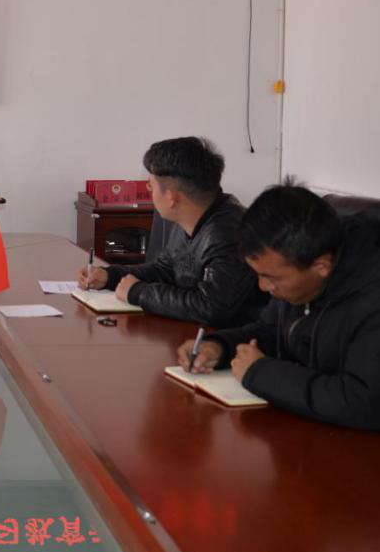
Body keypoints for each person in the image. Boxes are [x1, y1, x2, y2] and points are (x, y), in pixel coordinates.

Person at [177, 185, 380, 430]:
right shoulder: (299, 268)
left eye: (271, 278)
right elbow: (270, 331)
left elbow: (362, 403)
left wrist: (260, 373)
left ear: (321, 267)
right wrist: (219, 347)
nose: (263, 287)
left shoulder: (371, 298)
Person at [79, 137, 266, 327]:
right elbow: (164, 270)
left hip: (226, 340)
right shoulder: (190, 216)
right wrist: (110, 276)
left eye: (151, 186)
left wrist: (138, 292)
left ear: (171, 197)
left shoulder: (229, 233)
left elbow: (211, 306)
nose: (149, 192)